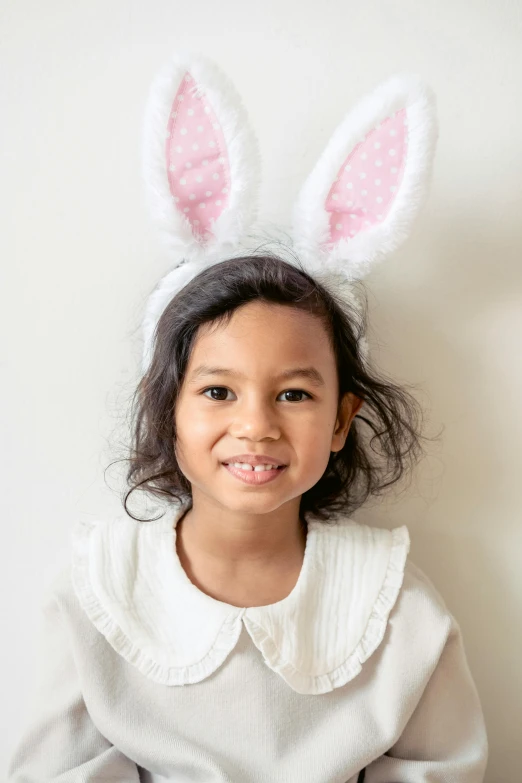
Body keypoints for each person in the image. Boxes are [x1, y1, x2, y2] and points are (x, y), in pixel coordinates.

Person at [6, 53, 488, 782]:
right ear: (167, 409)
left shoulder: (396, 605)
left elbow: (447, 768)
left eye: (293, 393)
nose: (257, 425)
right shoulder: (96, 590)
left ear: (340, 418)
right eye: (218, 392)